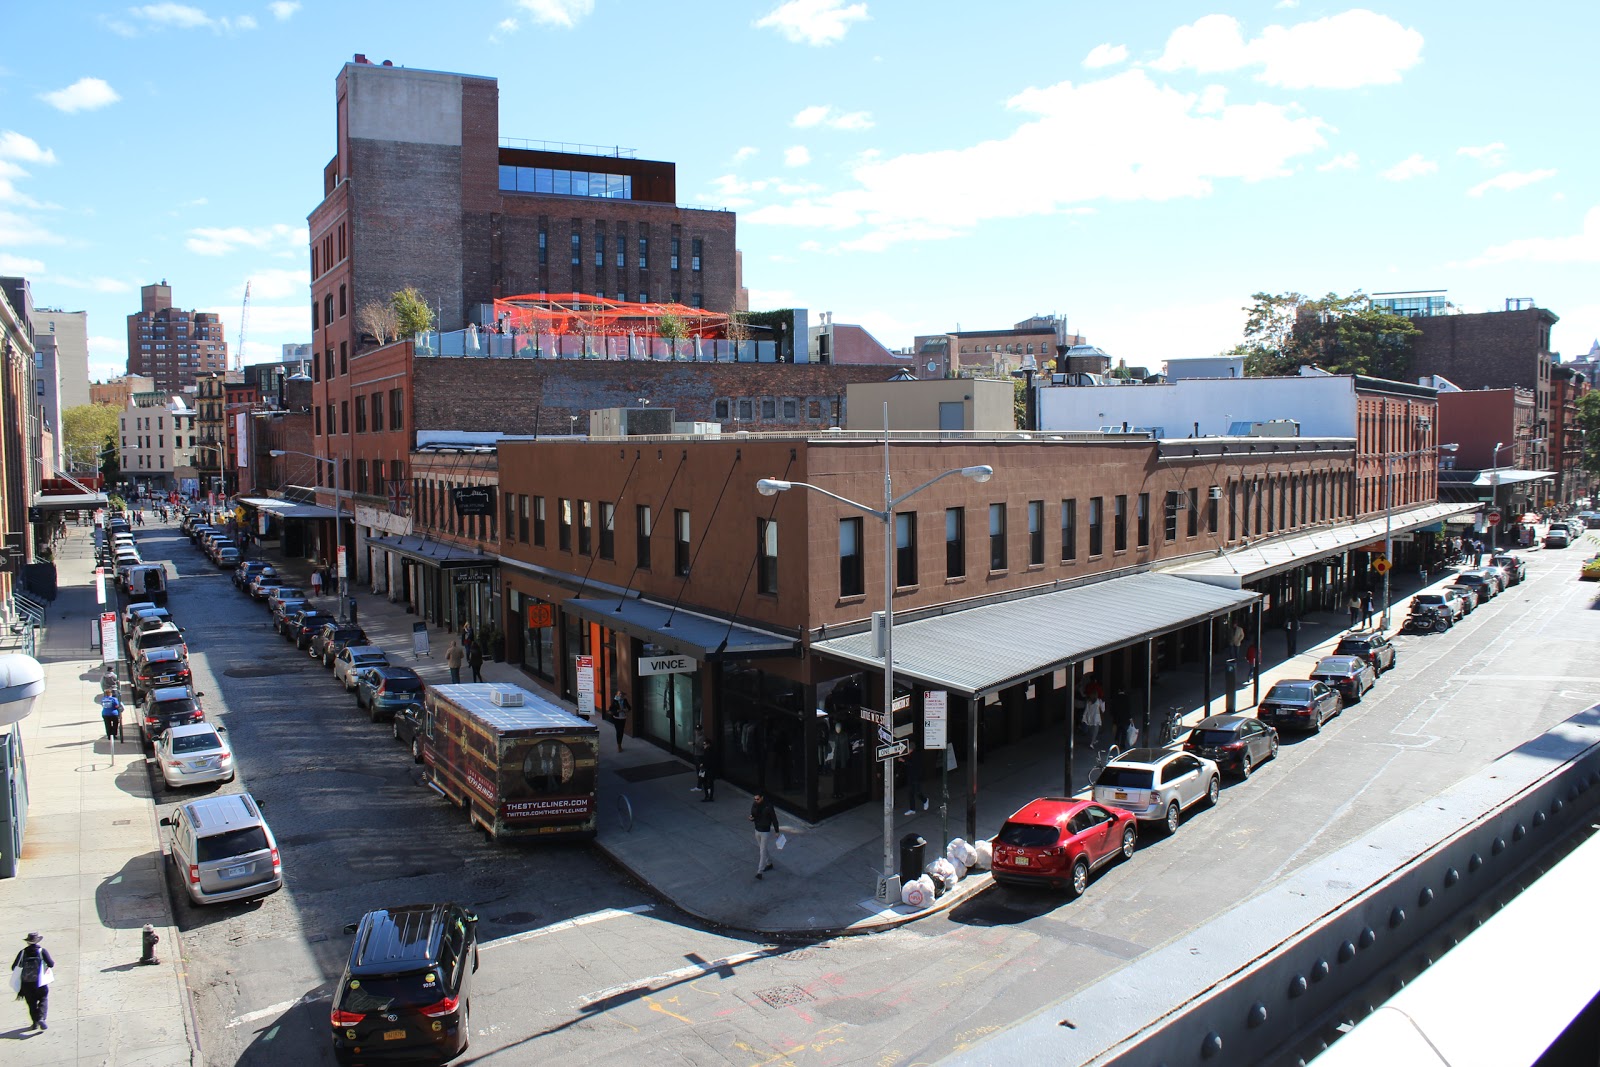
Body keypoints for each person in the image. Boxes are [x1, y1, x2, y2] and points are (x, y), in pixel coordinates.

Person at [12, 932, 54, 1030]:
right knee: (43, 999)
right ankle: (41, 1018)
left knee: (31, 1004)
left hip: (26, 984)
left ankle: (35, 1023)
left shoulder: (22, 952)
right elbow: (51, 964)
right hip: (40, 982)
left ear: (27, 942)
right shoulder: (42, 951)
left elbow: (14, 967)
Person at [749, 792, 779, 879]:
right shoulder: (755, 804)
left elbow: (774, 819)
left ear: (762, 798)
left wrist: (777, 831)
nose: (756, 800)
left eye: (757, 799)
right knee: (763, 848)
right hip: (757, 830)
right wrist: (751, 818)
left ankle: (759, 871)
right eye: (755, 799)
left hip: (765, 831)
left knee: (762, 851)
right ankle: (769, 863)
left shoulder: (768, 806)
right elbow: (753, 815)